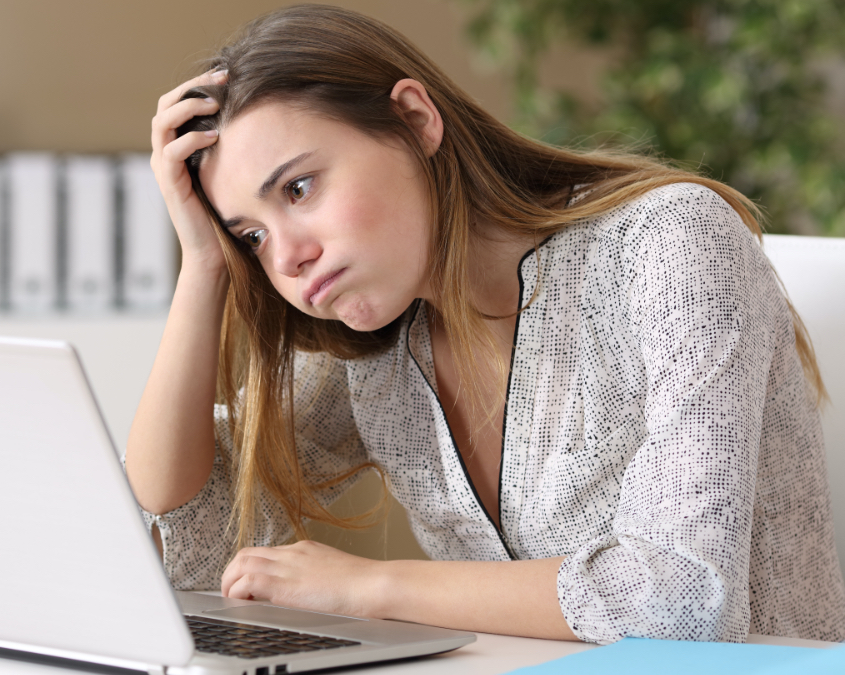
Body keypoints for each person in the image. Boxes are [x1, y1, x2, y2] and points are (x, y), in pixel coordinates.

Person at [123, 4, 845, 644]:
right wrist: (204, 264)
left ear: (415, 119)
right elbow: (193, 524)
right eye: (250, 234)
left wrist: (373, 587)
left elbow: (687, 597)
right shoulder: (381, 346)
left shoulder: (665, 243)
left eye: (300, 187)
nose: (288, 255)